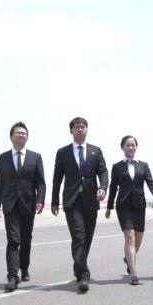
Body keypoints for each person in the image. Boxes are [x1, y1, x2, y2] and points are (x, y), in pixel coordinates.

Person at [51, 117, 108, 293]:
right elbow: (57, 178)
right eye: (77, 127)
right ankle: (84, 274)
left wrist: (103, 188)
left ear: (87, 130)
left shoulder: (95, 151)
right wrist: (54, 201)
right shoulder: (63, 152)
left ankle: (78, 266)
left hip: (91, 200)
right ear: (71, 131)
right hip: (72, 200)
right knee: (79, 237)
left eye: (83, 127)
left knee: (87, 238)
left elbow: (103, 172)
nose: (80, 129)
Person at [0, 122, 46, 291]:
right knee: (13, 239)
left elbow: (40, 181)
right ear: (11, 137)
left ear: (27, 137)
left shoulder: (35, 157)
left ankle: (24, 267)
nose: (21, 135)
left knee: (26, 239)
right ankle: (12, 276)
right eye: (17, 133)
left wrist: (40, 199)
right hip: (9, 204)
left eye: (24, 133)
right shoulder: (2, 158)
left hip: (28, 203)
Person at [105, 135, 153, 285]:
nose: (131, 147)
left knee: (138, 238)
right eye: (127, 145)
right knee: (130, 237)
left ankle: (128, 258)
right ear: (122, 147)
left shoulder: (143, 165)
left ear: (136, 147)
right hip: (123, 206)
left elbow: (151, 183)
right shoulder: (117, 166)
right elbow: (113, 187)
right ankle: (133, 273)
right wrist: (109, 206)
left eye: (133, 145)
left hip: (139, 205)